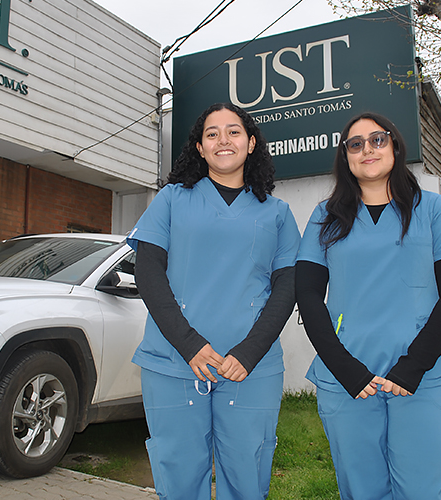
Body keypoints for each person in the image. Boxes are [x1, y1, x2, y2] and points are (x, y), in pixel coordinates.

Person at [126, 102, 300, 500]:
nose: (224, 140)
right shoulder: (171, 199)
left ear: (251, 143)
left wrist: (251, 351)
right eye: (212, 133)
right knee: (180, 477)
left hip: (250, 368)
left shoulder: (277, 213)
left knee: (248, 476)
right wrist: (190, 345)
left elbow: (288, 286)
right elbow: (148, 273)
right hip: (174, 363)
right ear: (200, 148)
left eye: (234, 131)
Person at [296, 112, 441, 500]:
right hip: (348, 381)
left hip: (423, 378)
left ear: (395, 145)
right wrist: (344, 369)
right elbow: (307, 294)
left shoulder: (433, 209)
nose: (367, 150)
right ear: (346, 157)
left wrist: (414, 365)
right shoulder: (325, 218)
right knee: (361, 491)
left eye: (377, 139)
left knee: (423, 490)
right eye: (355, 144)